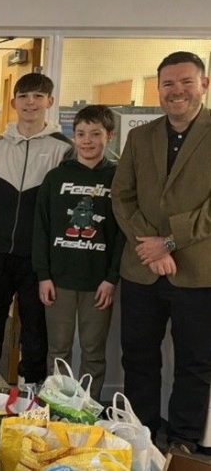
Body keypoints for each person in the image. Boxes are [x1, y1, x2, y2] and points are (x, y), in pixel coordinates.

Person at [111, 51, 211, 453]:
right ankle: (142, 432)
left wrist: (169, 242)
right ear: (159, 89)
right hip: (142, 269)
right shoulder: (140, 137)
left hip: (198, 271)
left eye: (186, 81)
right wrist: (152, 246)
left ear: (204, 84)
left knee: (194, 361)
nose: (176, 91)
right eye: (168, 83)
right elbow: (122, 196)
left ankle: (184, 440)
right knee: (138, 357)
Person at [0, 73, 73, 390]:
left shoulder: (63, 149)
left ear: (49, 101)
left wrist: (53, 257)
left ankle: (33, 382)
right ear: (14, 102)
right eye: (24, 96)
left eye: (38, 96)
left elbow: (63, 209)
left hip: (36, 257)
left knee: (35, 324)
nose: (30, 102)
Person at [32, 105, 124, 401]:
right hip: (58, 280)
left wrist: (112, 278)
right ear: (73, 137)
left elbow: (123, 234)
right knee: (58, 349)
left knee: (93, 351)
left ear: (109, 136)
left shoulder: (119, 178)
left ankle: (88, 408)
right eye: (81, 134)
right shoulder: (56, 177)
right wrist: (43, 275)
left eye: (95, 134)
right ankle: (57, 406)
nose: (87, 141)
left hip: (98, 283)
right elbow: (41, 228)